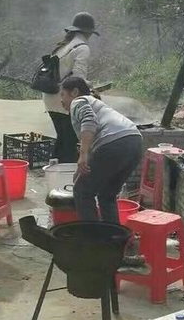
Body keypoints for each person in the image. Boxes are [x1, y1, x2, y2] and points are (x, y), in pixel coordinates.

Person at [60, 76, 142, 225]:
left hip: (113, 144)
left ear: (74, 92)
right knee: (107, 194)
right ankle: (113, 235)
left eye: (63, 95)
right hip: (134, 142)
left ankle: (93, 236)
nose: (61, 100)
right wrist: (81, 168)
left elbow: (89, 121)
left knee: (82, 192)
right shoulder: (96, 104)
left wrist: (83, 155)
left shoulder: (78, 101)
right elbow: (95, 146)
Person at [42, 12, 98, 163]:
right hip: (65, 99)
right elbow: (78, 78)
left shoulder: (65, 45)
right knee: (71, 143)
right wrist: (90, 87)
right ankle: (66, 172)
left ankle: (54, 168)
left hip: (51, 97)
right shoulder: (82, 48)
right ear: (88, 32)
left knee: (63, 138)